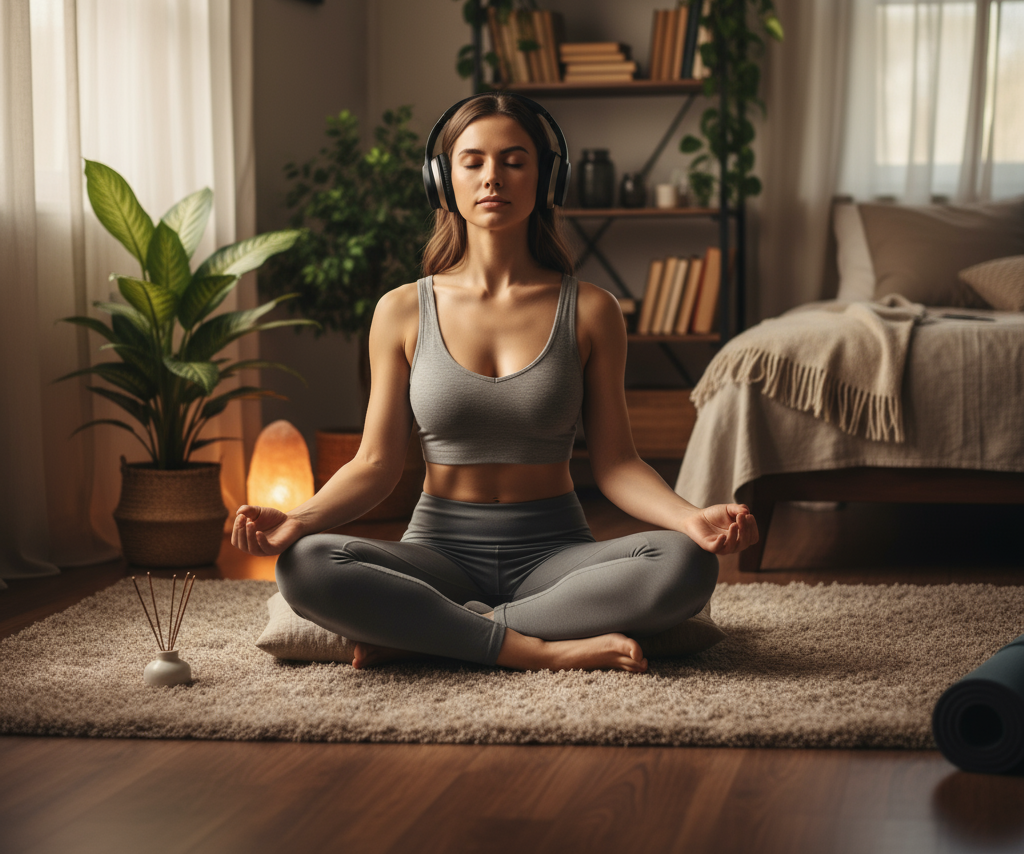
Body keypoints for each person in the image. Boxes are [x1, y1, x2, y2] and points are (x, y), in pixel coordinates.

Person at [231, 92, 758, 673]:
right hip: (436, 552)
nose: (492, 178)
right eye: (473, 161)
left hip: (556, 555)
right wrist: (298, 521)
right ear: (442, 180)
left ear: (545, 178)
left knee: (687, 564)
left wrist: (688, 518)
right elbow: (376, 463)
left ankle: (428, 636)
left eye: (514, 160)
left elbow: (616, 464)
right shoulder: (402, 310)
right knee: (304, 566)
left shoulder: (591, 310)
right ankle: (537, 648)